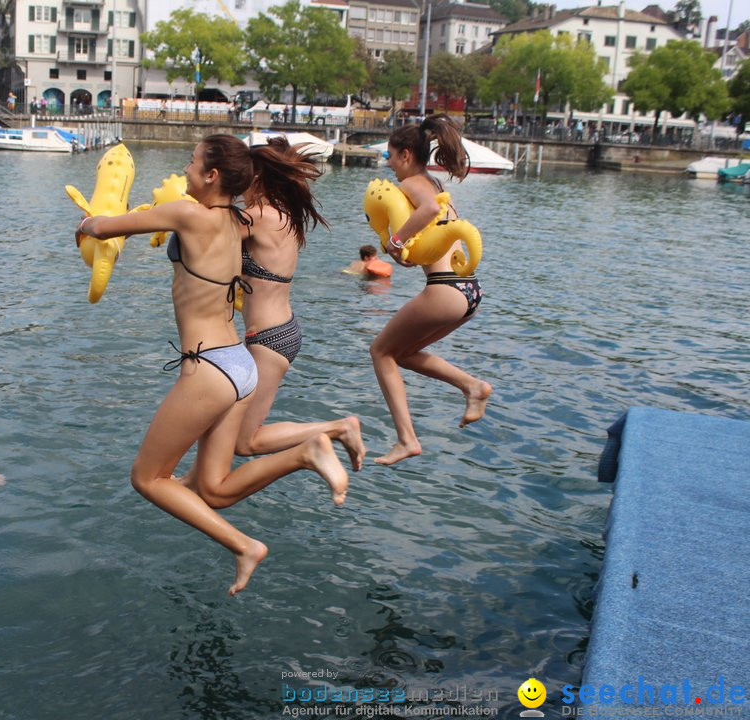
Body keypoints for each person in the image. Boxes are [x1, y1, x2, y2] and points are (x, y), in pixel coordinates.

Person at [75, 135, 349, 595]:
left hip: (210, 368)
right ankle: (306, 453)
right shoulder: (235, 220)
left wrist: (84, 221)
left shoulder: (188, 214)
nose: (185, 169)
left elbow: (104, 227)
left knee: (147, 477)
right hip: (240, 365)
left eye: (191, 161)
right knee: (214, 490)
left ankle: (244, 546)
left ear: (212, 175)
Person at [235, 138, 366, 471]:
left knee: (246, 441)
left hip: (269, 338)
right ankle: (194, 480)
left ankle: (336, 429)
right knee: (229, 420)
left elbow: (206, 234)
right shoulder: (284, 214)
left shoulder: (257, 216)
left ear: (256, 179)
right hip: (278, 331)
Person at [369, 114, 491, 467]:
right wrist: (406, 252)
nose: (389, 166)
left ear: (406, 155)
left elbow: (427, 211)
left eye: (390, 157)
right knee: (401, 353)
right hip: (467, 290)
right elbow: (433, 234)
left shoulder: (415, 186)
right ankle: (472, 387)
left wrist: (395, 240)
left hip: (445, 290)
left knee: (380, 352)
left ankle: (406, 439)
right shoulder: (434, 183)